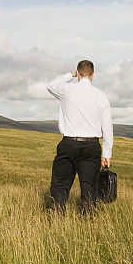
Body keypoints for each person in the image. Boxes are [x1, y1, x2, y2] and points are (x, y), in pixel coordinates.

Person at [46, 59, 113, 214]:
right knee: (89, 185)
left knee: (60, 183)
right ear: (93, 74)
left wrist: (70, 75)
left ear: (78, 74)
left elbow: (50, 86)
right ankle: (88, 219)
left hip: (69, 143)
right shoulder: (100, 95)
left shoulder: (67, 90)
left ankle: (57, 216)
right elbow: (107, 127)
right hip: (91, 146)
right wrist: (107, 154)